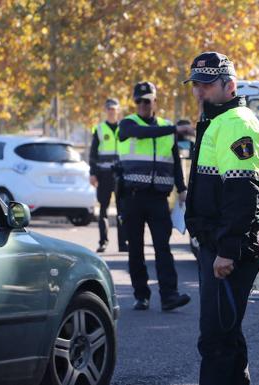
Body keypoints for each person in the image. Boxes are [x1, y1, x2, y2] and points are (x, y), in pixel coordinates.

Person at [184, 52, 259, 385]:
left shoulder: (236, 123)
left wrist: (228, 249)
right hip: (217, 242)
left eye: (206, 84)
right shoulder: (216, 120)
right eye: (196, 84)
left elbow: (243, 193)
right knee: (226, 336)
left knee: (216, 341)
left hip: (228, 247)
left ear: (229, 86)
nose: (199, 91)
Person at [117, 81, 192, 311]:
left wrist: (182, 188)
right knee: (136, 250)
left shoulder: (166, 126)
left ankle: (169, 296)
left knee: (163, 248)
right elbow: (141, 133)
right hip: (132, 197)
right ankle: (142, 296)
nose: (142, 105)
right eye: (138, 101)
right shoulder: (128, 124)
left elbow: (176, 161)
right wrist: (175, 130)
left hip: (158, 198)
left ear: (155, 101)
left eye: (147, 100)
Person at [89, 98, 128, 253]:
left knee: (122, 210)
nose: (112, 111)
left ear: (118, 110)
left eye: (114, 109)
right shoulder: (99, 130)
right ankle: (103, 242)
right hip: (104, 175)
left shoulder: (125, 128)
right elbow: (93, 154)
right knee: (103, 210)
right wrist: (92, 173)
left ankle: (122, 243)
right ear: (106, 110)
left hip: (121, 175)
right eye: (109, 109)